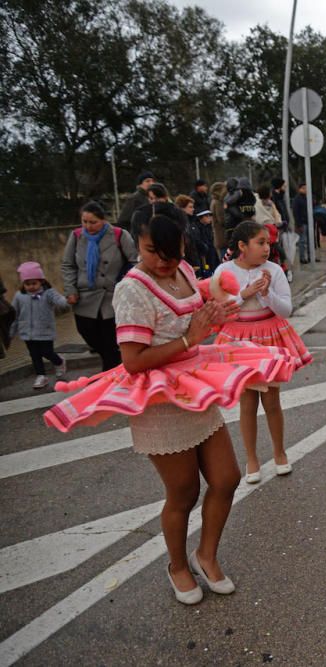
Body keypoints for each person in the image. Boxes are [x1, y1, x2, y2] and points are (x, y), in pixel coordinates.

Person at [43, 214, 295, 605]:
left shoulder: (184, 272)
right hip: (158, 400)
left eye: (171, 251)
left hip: (194, 388)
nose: (163, 260)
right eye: (151, 251)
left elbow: (195, 325)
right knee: (184, 492)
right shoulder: (131, 290)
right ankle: (177, 565)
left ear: (183, 244)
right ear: (136, 247)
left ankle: (206, 555)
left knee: (226, 479)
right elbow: (134, 361)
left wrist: (213, 320)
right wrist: (189, 337)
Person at [215, 221, 311, 484]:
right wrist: (243, 294)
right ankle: (251, 459)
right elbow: (219, 308)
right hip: (240, 340)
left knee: (271, 400)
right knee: (247, 403)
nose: (267, 248)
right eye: (260, 242)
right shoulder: (224, 271)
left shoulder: (274, 270)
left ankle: (280, 453)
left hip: (269, 337)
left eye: (268, 242)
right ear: (242, 246)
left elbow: (285, 310)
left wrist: (267, 293)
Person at [61, 201, 138, 371]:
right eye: (84, 221)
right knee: (88, 334)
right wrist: (70, 290)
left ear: (103, 220)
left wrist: (125, 284)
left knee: (110, 342)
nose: (88, 226)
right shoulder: (76, 236)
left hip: (111, 297)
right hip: (85, 298)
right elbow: (68, 265)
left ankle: (110, 374)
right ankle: (116, 367)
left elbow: (134, 261)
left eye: (93, 222)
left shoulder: (119, 235)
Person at [10, 261, 69, 389]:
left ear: (41, 281)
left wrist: (67, 300)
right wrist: (12, 331)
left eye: (34, 283)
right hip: (27, 333)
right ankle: (41, 376)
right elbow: (14, 313)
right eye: (27, 284)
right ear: (23, 284)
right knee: (34, 355)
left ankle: (59, 361)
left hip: (45, 331)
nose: (31, 286)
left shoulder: (48, 293)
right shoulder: (19, 296)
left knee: (47, 352)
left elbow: (60, 301)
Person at [209, 181, 228, 255]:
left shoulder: (214, 201)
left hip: (219, 237)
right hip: (222, 237)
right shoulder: (218, 203)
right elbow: (222, 220)